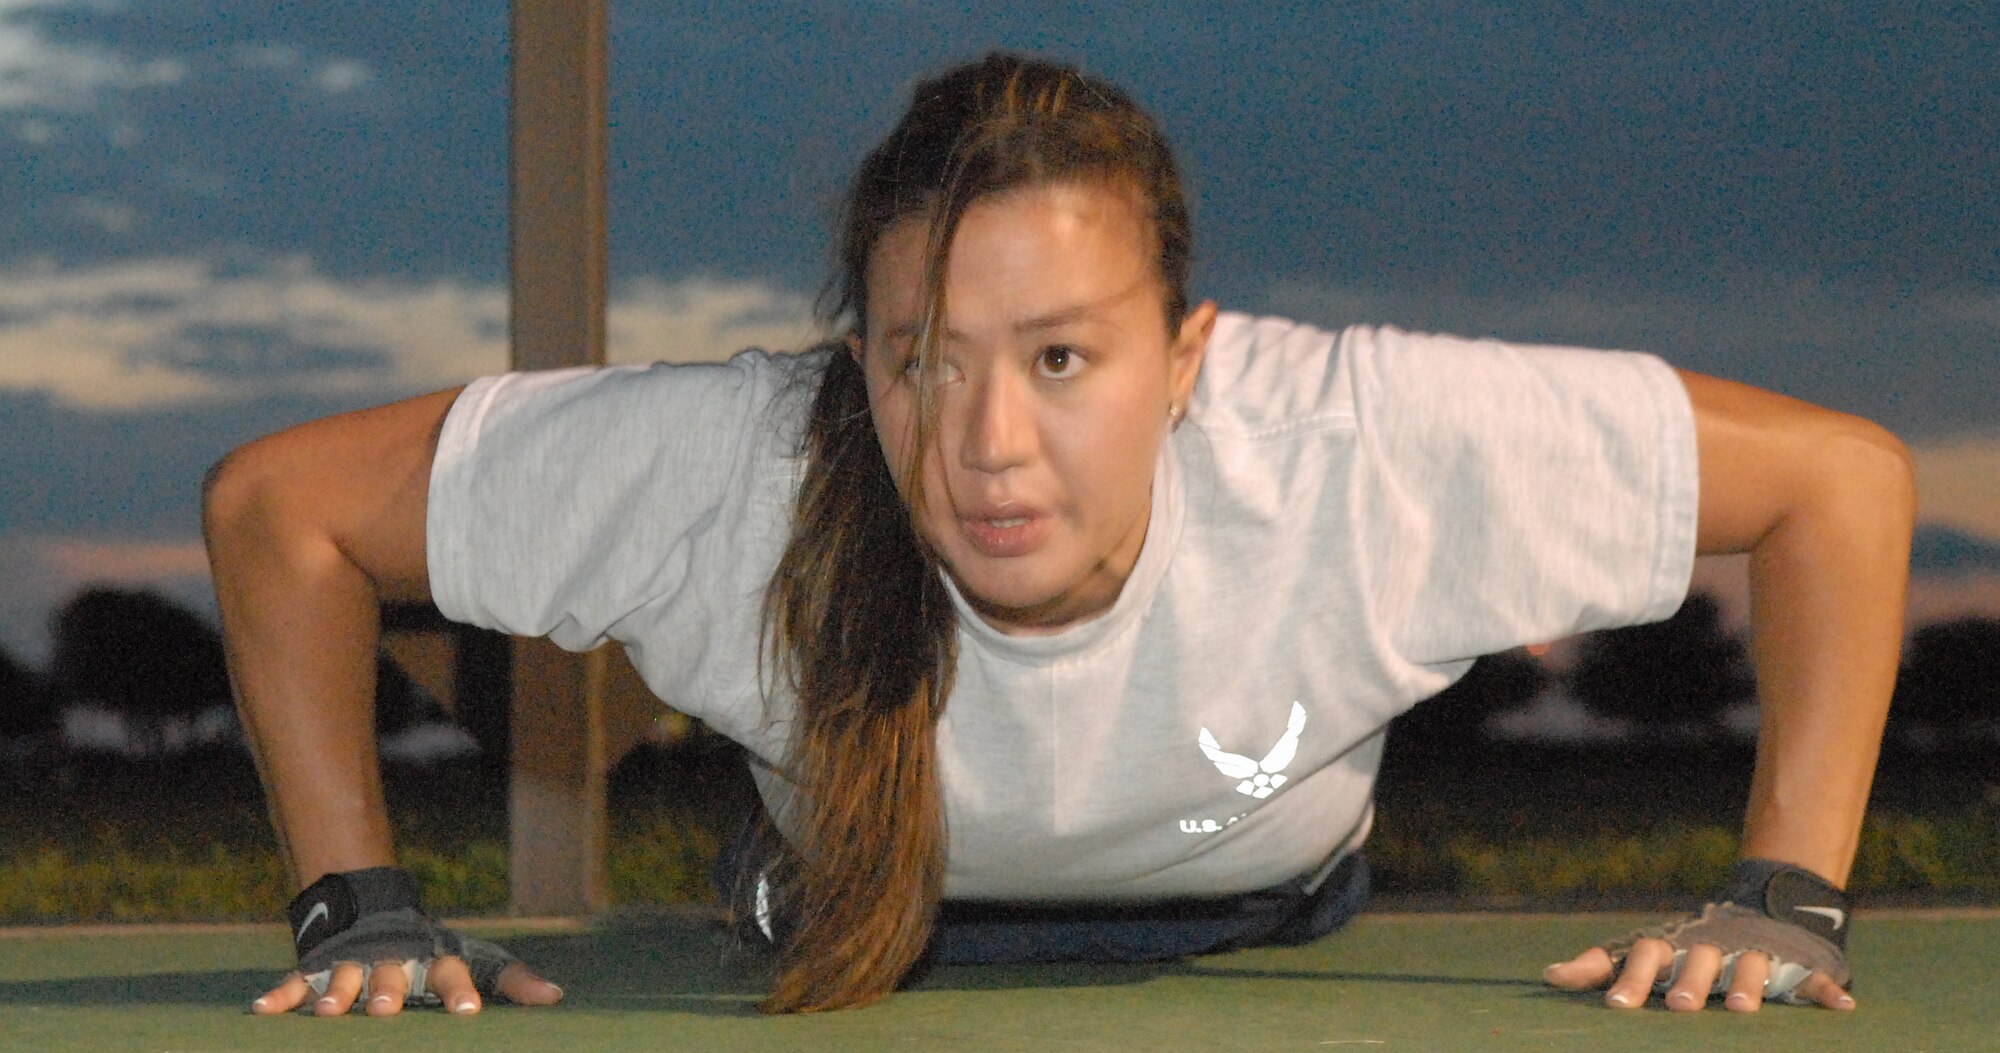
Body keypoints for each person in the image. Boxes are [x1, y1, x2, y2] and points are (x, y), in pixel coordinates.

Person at [202, 53, 1914, 1018]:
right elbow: (281, 512)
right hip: (843, 910)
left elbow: (1837, 484)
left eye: (1062, 359)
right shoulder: (732, 468)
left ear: (1188, 359)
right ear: (859, 360)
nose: (987, 444)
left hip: (1262, 912)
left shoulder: (1361, 442)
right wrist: (358, 906)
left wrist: (1781, 898)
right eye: (925, 358)